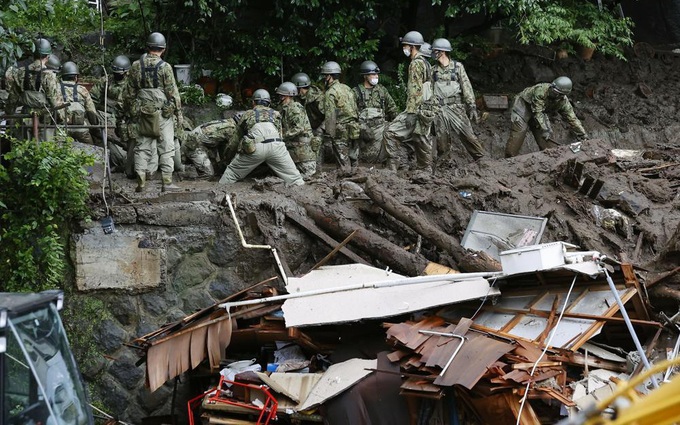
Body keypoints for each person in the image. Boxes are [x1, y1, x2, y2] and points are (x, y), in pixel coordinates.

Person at [123, 32, 183, 192]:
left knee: (142, 146)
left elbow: (129, 93)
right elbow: (172, 93)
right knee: (167, 147)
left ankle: (141, 182)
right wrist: (176, 113)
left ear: (148, 47)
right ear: (163, 49)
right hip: (162, 114)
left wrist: (133, 111)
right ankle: (167, 182)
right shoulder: (165, 67)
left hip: (143, 112)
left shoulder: (136, 66)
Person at [218, 89, 304, 186]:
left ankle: (220, 191)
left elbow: (235, 141)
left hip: (255, 148)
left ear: (253, 102)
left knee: (231, 174)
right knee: (295, 179)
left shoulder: (247, 114)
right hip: (277, 147)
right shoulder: (276, 114)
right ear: (269, 103)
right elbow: (280, 135)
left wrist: (227, 158)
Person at [382, 30, 434, 172]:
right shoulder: (426, 63)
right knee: (420, 138)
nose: (404, 48)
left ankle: (393, 169)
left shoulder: (416, 64)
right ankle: (421, 170)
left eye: (405, 45)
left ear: (412, 46)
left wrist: (411, 112)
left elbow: (415, 90)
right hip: (425, 107)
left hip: (416, 108)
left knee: (390, 132)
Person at [430, 38, 485, 162]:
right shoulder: (433, 70)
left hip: (456, 107)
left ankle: (482, 160)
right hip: (439, 109)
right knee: (442, 141)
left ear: (442, 52)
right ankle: (444, 166)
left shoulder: (457, 67)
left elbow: (466, 86)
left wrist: (471, 106)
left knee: (468, 135)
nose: (433, 53)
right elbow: (429, 91)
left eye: (435, 51)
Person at [505, 76, 588, 158]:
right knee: (519, 132)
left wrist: (582, 134)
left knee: (547, 139)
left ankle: (550, 159)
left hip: (540, 111)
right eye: (552, 89)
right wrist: (545, 129)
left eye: (556, 92)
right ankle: (509, 159)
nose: (552, 91)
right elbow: (537, 112)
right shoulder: (540, 91)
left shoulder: (563, 102)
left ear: (562, 95)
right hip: (524, 106)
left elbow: (572, 118)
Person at [4, 38, 65, 140]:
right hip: (44, 119)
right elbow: (55, 101)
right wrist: (62, 118)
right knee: (44, 147)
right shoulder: (49, 75)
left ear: (33, 55)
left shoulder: (19, 72)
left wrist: (9, 113)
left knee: (25, 146)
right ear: (48, 56)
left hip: (25, 117)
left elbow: (13, 98)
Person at [90, 55, 132, 172]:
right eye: (115, 72)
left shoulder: (131, 83)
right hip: (105, 116)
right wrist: (94, 114)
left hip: (124, 119)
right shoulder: (106, 81)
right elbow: (92, 98)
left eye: (120, 73)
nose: (117, 75)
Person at [181, 94, 239, 179]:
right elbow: (229, 150)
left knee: (217, 171)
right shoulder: (231, 129)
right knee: (209, 174)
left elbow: (221, 146)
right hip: (194, 145)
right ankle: (184, 173)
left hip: (202, 144)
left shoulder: (228, 122)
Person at [352, 60, 398, 163]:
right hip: (363, 131)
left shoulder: (382, 90)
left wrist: (396, 124)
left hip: (380, 130)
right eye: (372, 74)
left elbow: (392, 109)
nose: (376, 76)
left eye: (376, 74)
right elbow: (351, 113)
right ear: (365, 76)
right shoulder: (356, 92)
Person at [320, 61, 360, 175]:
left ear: (329, 76)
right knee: (354, 159)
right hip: (354, 127)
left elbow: (330, 116)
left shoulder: (330, 93)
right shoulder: (347, 88)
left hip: (340, 129)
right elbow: (355, 108)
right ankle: (357, 177)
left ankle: (347, 183)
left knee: (343, 163)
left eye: (325, 76)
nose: (324, 78)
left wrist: (329, 136)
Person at [276, 81, 317, 178]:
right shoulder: (285, 108)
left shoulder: (294, 108)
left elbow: (299, 128)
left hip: (304, 153)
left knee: (306, 176)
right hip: (295, 149)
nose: (279, 98)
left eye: (281, 95)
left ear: (285, 96)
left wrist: (282, 136)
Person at [58, 61, 100, 145]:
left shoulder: (56, 88)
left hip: (62, 128)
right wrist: (95, 126)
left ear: (62, 76)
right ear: (76, 77)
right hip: (80, 128)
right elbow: (91, 112)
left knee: (59, 149)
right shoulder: (82, 90)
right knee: (91, 150)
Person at [292, 72, 325, 165]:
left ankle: (317, 166)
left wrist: (321, 130)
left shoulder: (318, 98)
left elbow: (330, 116)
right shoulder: (297, 98)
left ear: (300, 88)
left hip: (319, 127)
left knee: (315, 141)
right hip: (306, 128)